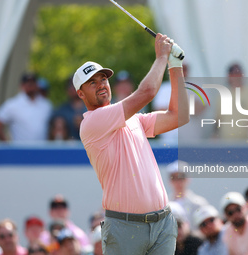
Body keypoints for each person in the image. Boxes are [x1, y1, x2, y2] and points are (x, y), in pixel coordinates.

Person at [73, 33, 188, 254]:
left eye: (103, 79)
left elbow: (179, 116)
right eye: (92, 83)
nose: (101, 85)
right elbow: (147, 92)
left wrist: (175, 66)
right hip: (125, 227)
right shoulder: (92, 122)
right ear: (81, 93)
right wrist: (161, 57)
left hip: (163, 223)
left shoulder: (132, 118)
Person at [214, 63, 248, 140]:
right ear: (228, 76)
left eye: (238, 73)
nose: (236, 76)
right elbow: (218, 120)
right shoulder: (222, 95)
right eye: (233, 74)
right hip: (226, 143)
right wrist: (214, 135)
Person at [0, 73, 52, 141]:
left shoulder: (46, 104)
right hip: (20, 149)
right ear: (22, 85)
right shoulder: (12, 104)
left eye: (33, 83)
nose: (30, 86)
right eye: (28, 83)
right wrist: (6, 143)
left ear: (36, 85)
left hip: (41, 149)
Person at [167, 160, 209, 233]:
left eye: (181, 177)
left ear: (188, 179)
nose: (178, 181)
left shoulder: (199, 203)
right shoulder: (165, 203)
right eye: (174, 178)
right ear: (169, 181)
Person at [51, 75, 87, 140]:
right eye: (71, 86)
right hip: (67, 148)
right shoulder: (61, 110)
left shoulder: (92, 108)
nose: (74, 89)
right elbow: (53, 136)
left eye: (76, 86)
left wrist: (84, 125)